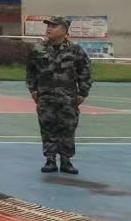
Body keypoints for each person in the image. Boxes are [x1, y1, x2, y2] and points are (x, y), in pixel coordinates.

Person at [26, 15, 92, 175]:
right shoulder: (38, 49)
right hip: (45, 97)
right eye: (48, 26)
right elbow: (31, 71)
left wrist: (83, 92)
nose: (49, 29)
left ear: (64, 30)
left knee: (67, 129)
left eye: (53, 26)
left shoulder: (75, 50)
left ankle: (66, 161)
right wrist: (33, 89)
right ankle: (50, 160)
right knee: (47, 128)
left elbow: (85, 71)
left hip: (68, 98)